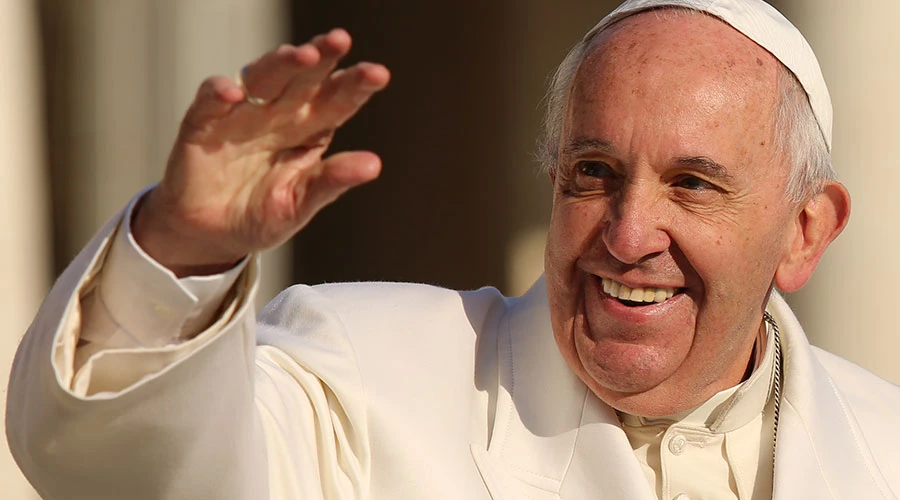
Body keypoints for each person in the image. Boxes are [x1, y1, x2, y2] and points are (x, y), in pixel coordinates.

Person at [6, 0, 900, 498]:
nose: (628, 236)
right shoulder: (360, 380)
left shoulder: (887, 452)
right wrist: (184, 251)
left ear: (805, 230)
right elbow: (128, 473)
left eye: (692, 185)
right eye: (593, 172)